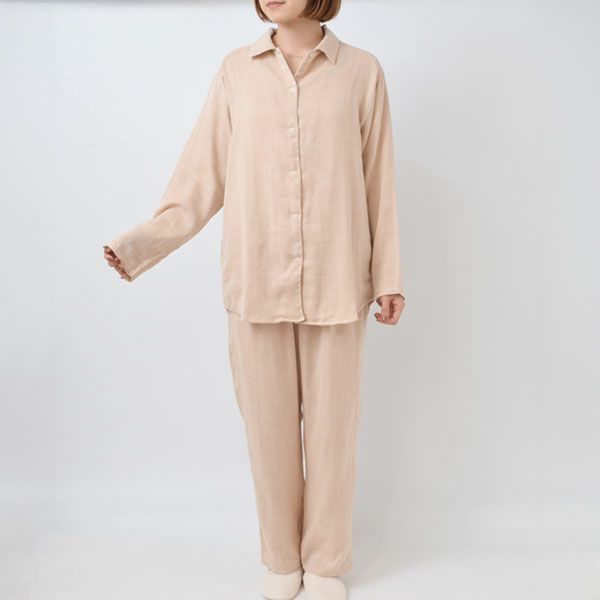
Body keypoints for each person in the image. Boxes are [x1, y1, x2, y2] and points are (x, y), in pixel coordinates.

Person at [102, 1, 405, 598]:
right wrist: (141, 244)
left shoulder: (361, 71)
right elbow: (202, 175)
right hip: (256, 276)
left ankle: (325, 562)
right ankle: (281, 558)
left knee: (333, 430)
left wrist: (388, 275)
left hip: (339, 276)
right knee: (268, 430)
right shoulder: (235, 71)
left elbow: (379, 178)